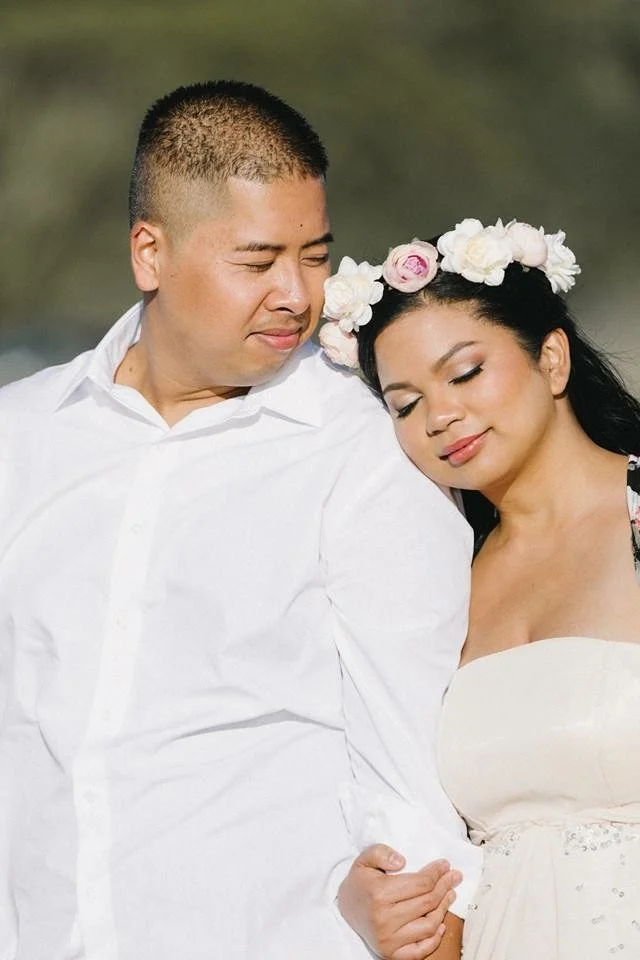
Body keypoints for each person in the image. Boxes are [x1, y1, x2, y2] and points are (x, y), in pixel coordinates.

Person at [0, 82, 481, 960]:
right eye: (258, 262)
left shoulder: (365, 448)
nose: (295, 294)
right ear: (151, 252)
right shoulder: (20, 435)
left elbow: (413, 741)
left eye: (315, 256)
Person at [319, 219, 640, 960]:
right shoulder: (439, 590)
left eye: (464, 373)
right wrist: (367, 896)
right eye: (404, 404)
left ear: (551, 359)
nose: (441, 416)